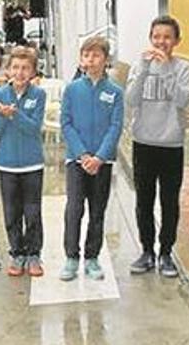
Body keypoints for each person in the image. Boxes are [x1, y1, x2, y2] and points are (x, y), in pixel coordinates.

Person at [125, 16, 189, 278]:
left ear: (176, 41)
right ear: (150, 38)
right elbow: (130, 99)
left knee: (169, 202)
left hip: (171, 144)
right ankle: (146, 251)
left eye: (167, 37)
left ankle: (166, 252)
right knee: (143, 201)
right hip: (143, 142)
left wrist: (166, 71)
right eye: (156, 36)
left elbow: (183, 100)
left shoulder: (183, 67)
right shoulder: (139, 64)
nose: (161, 42)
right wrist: (144, 68)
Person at [59, 36, 123, 281]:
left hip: (102, 163)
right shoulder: (72, 89)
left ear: (105, 60)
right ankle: (71, 257)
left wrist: (99, 157)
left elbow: (116, 127)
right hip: (77, 161)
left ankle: (92, 257)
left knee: (98, 210)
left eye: (96, 55)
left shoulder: (114, 92)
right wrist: (83, 154)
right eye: (86, 55)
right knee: (74, 209)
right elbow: (66, 123)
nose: (90, 60)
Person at [0, 47, 47, 277]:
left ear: (33, 71)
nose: (20, 72)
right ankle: (17, 253)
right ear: (9, 69)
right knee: (11, 212)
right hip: (7, 163)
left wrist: (14, 114)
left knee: (32, 212)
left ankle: (34, 254)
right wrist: (3, 117)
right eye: (15, 67)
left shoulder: (38, 95)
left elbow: (34, 129)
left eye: (25, 68)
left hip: (32, 163)